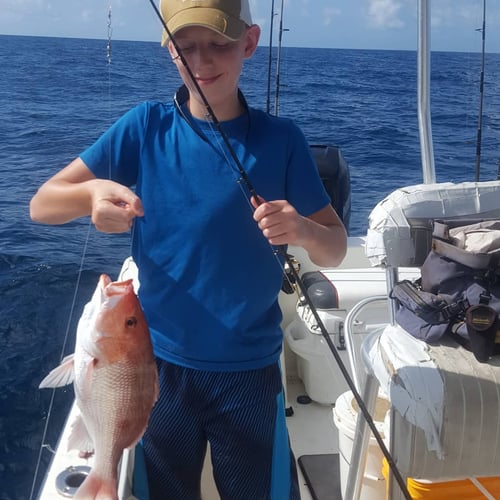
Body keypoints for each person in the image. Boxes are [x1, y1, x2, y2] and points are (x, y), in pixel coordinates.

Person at [30, 0, 347, 498]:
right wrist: (91, 195)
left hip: (249, 374)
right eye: (186, 47)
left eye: (219, 45)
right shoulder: (144, 128)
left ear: (249, 42)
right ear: (169, 52)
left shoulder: (282, 140)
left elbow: (335, 249)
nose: (203, 61)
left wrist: (304, 229)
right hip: (156, 370)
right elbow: (42, 205)